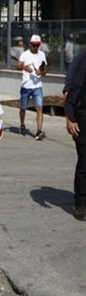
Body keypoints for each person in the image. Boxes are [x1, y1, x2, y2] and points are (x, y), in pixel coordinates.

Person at [63, 49, 86, 220]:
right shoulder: (82, 61)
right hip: (82, 116)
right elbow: (72, 91)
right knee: (85, 161)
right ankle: (80, 204)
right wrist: (70, 118)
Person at [17, 34, 48, 140]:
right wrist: (25, 67)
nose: (35, 47)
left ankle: (39, 131)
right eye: (34, 45)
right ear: (30, 44)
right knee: (23, 108)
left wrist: (41, 72)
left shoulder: (42, 54)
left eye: (37, 45)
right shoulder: (25, 54)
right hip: (26, 85)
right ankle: (22, 124)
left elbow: (45, 70)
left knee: (39, 108)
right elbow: (18, 66)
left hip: (37, 86)